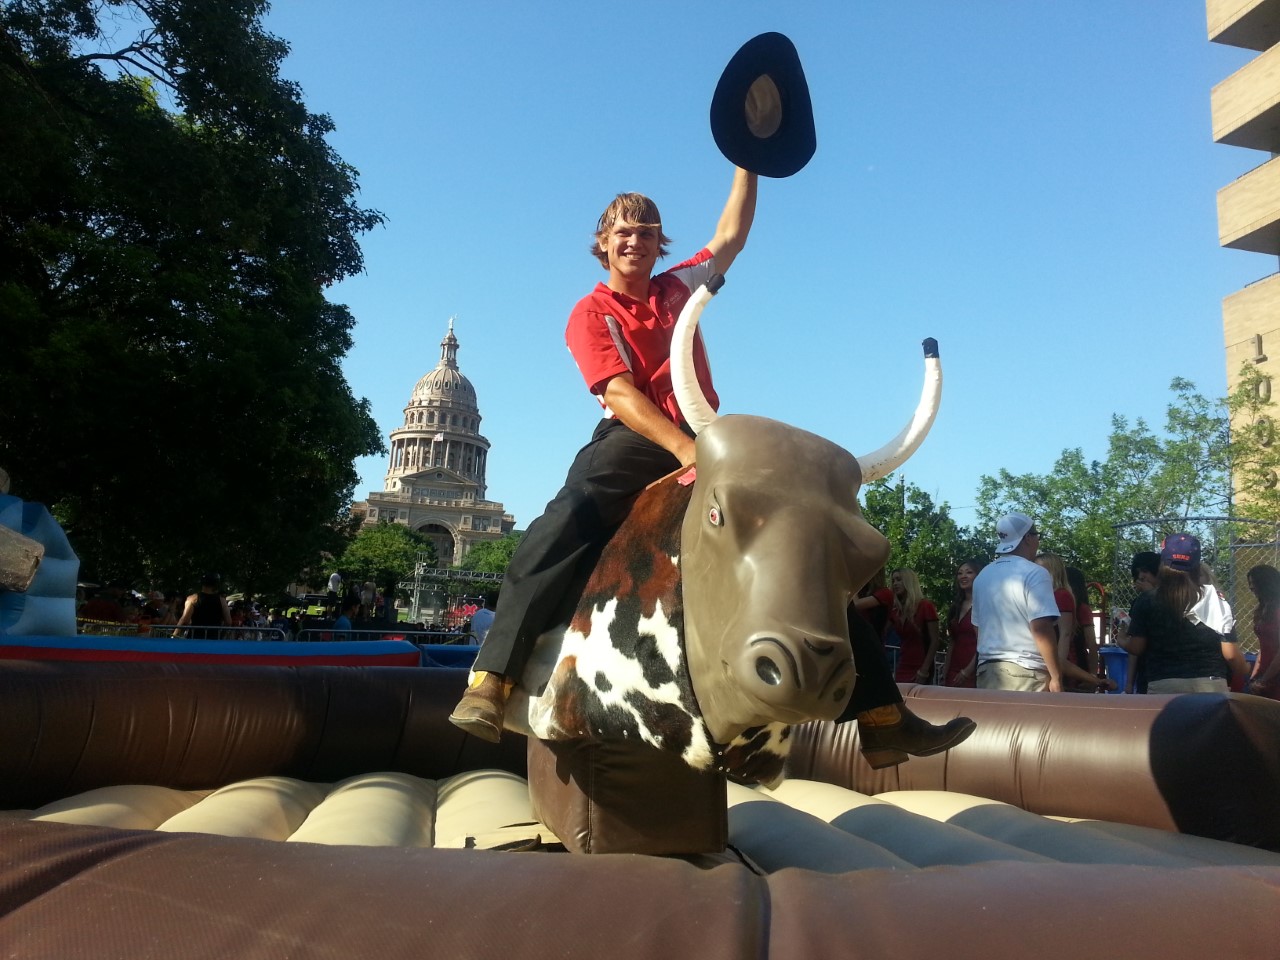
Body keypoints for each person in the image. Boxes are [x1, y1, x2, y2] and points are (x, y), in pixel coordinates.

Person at [449, 169, 973, 766]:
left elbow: (732, 232)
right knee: (562, 522)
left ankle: (882, 716)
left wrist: (747, 160)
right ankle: (493, 680)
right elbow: (620, 394)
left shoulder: (681, 287)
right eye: (623, 232)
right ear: (602, 242)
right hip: (638, 436)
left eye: (647, 232)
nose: (635, 242)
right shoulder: (590, 312)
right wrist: (681, 449)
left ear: (658, 244)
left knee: (797, 536)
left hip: (706, 435)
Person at [1123, 533, 1248, 694]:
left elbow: (1137, 647)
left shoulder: (1147, 599)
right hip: (1210, 684)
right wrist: (1245, 668)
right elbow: (1231, 655)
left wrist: (1122, 641)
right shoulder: (1215, 599)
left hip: (1163, 683)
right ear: (1197, 564)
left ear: (1163, 564)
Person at [971, 513, 1063, 692]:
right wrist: (1056, 677)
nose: (1038, 540)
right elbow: (1041, 628)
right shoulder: (1035, 573)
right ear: (1027, 538)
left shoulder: (982, 576)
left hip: (986, 671)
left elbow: (977, 627)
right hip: (1026, 672)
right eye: (1037, 535)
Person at [1115, 551, 1160, 693]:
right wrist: (1129, 683)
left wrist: (1150, 594)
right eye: (1138, 573)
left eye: (1146, 571)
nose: (1141, 577)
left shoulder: (1173, 598)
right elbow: (1135, 647)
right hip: (1147, 671)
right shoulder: (1139, 603)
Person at [888, 568, 941, 684]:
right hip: (902, 664)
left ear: (908, 582)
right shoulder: (896, 611)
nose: (895, 583)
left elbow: (935, 641)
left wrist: (924, 670)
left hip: (921, 666)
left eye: (899, 580)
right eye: (893, 581)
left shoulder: (925, 606)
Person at [943, 558, 985, 687]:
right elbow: (952, 641)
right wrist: (945, 669)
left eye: (969, 572)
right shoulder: (955, 606)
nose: (963, 576)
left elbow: (983, 642)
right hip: (953, 670)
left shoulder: (984, 605)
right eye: (960, 573)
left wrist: (968, 671)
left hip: (975, 669)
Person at [1247, 563, 1280, 699]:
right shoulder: (1263, 609)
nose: (1251, 587)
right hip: (1266, 676)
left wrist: (1264, 679)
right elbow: (1263, 647)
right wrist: (1255, 678)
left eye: (1254, 583)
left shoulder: (1277, 610)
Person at [173, 573, 232, 640]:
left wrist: (174, 636)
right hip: (214, 639)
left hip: (195, 638)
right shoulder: (222, 601)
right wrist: (221, 635)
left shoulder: (193, 599)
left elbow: (184, 620)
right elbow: (228, 622)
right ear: (215, 585)